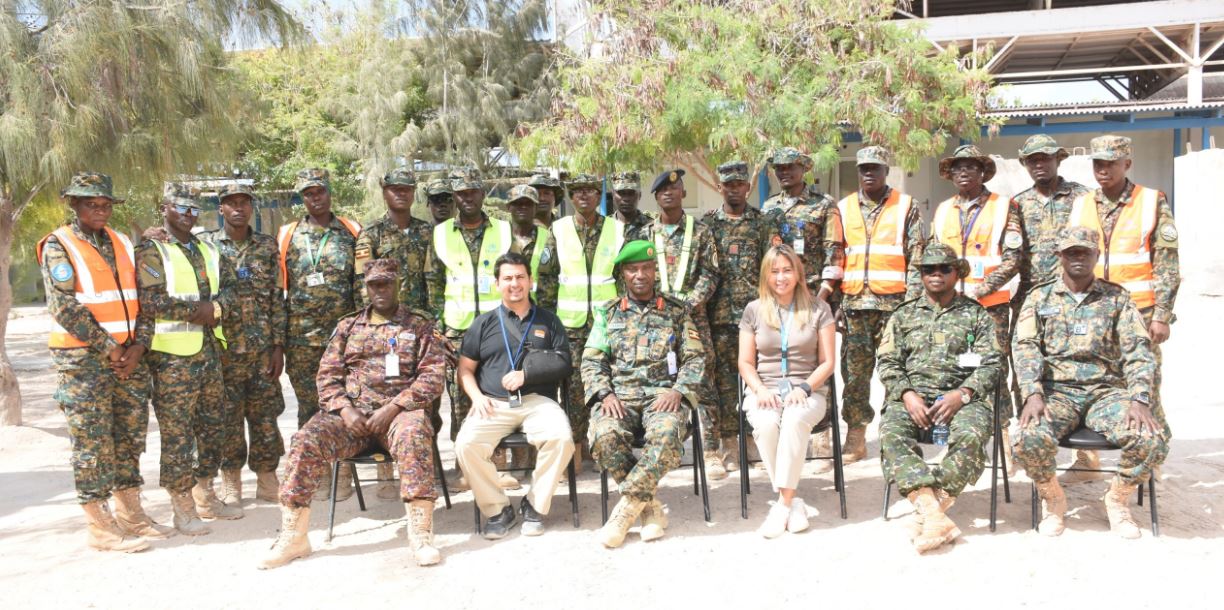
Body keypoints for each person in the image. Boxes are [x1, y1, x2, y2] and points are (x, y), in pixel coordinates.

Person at [260, 259, 448, 568]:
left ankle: (420, 533)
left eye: (387, 283)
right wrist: (344, 410)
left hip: (399, 415)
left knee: (414, 433)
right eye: (374, 284)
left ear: (397, 284)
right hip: (354, 418)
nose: (381, 290)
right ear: (366, 287)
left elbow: (432, 378)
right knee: (306, 438)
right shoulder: (348, 326)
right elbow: (327, 376)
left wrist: (393, 407)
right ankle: (294, 536)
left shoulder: (419, 325)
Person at [36, 172, 165, 552]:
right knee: (92, 442)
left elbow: (145, 298)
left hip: (129, 358)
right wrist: (110, 347)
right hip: (83, 361)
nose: (100, 210)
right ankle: (100, 526)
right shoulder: (59, 245)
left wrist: (138, 347)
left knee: (128, 437)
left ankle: (130, 513)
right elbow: (64, 306)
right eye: (91, 203)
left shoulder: (123, 242)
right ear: (73, 205)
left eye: (105, 204)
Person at [1012, 227, 1168, 539]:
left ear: (1097, 255)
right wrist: (1032, 393)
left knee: (1152, 438)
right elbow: (1025, 347)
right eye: (1071, 252)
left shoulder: (1117, 298)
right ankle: (1053, 498)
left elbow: (1138, 350)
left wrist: (1139, 399)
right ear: (1060, 256)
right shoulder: (1039, 297)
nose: (1078, 257)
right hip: (1057, 392)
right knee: (1027, 437)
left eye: (1085, 252)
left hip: (1106, 393)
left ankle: (1117, 498)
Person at [876, 243, 1001, 553]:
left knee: (971, 434)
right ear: (920, 275)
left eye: (944, 269)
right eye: (928, 269)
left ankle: (929, 509)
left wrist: (963, 394)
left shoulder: (976, 315)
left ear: (956, 273)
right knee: (891, 433)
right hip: (911, 398)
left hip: (960, 398)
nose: (935, 275)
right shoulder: (903, 315)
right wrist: (907, 395)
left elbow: (993, 363)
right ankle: (934, 513)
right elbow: (888, 361)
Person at [1068, 135, 1179, 477]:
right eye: (1097, 163)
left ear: (1126, 164)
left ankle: (1151, 459)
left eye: (1110, 163)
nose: (1102, 170)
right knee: (1090, 381)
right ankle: (1087, 459)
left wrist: (1162, 315)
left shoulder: (1150, 201)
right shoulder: (1082, 203)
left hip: (1139, 313)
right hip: (1093, 308)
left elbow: (1167, 263)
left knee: (1144, 381)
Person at [582, 240, 706, 548]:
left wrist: (679, 391)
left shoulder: (677, 311)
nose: (640, 275)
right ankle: (649, 507)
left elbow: (696, 358)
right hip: (619, 397)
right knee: (603, 434)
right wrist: (604, 394)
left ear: (655, 271)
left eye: (646, 268)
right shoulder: (607, 314)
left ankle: (625, 511)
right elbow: (591, 361)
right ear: (623, 273)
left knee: (666, 432)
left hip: (662, 396)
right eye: (633, 269)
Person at [137, 183, 239, 534]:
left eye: (194, 209)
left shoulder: (206, 248)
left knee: (213, 427)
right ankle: (182, 508)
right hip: (171, 359)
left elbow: (229, 289)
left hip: (209, 351)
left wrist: (219, 307)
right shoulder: (151, 250)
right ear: (164, 209)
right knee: (178, 435)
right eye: (181, 208)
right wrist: (199, 311)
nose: (188, 214)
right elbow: (149, 301)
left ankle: (205, 496)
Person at [454, 252, 575, 539]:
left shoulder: (549, 320)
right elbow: (465, 369)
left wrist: (527, 375)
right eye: (507, 278)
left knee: (561, 439)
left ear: (530, 281)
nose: (514, 283)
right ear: (497, 283)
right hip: (493, 403)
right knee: (466, 445)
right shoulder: (482, 324)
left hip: (538, 402)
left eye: (520, 277)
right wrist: (476, 397)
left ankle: (534, 505)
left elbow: (564, 362)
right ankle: (497, 509)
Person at [929, 144, 1022, 468]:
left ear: (983, 172)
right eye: (957, 167)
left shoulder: (1003, 207)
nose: (963, 172)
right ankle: (960, 440)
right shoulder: (942, 210)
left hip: (990, 307)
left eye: (971, 166)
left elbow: (1013, 258)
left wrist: (982, 289)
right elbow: (932, 258)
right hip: (952, 308)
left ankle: (1004, 442)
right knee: (954, 369)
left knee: (993, 370)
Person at [737, 245, 836, 538]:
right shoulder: (753, 310)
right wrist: (758, 390)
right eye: (774, 271)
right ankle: (792, 502)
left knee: (793, 419)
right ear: (766, 276)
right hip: (763, 390)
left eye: (787, 270)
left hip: (808, 391)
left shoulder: (819, 309)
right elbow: (744, 362)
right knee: (766, 424)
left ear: (798, 273)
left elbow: (828, 362)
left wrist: (805, 387)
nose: (781, 277)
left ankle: (781, 505)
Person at [276, 167, 362, 500]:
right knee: (309, 408)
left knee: (344, 405)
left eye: (320, 191)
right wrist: (279, 343)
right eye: (308, 193)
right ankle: (315, 474)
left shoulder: (350, 230)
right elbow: (277, 290)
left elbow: (361, 285)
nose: (315, 198)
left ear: (329, 192)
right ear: (302, 197)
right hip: (302, 339)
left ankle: (342, 473)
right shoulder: (288, 234)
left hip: (344, 339)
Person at [835, 145, 924, 463]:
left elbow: (917, 259)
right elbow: (836, 259)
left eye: (875, 167)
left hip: (894, 308)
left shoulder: (906, 206)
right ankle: (856, 436)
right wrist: (836, 304)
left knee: (895, 374)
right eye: (863, 168)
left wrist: (912, 307)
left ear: (887, 170)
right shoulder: (843, 208)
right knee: (855, 376)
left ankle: (893, 435)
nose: (868, 173)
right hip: (855, 306)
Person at [201, 183, 287, 509]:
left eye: (244, 203)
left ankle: (267, 480)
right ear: (220, 208)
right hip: (223, 351)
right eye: (231, 203)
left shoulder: (267, 246)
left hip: (262, 350)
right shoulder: (206, 245)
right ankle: (231, 481)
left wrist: (278, 345)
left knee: (265, 418)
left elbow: (276, 299)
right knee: (228, 419)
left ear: (251, 207)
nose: (238, 208)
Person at [428, 167, 515, 490]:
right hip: (457, 328)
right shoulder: (440, 234)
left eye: (473, 192)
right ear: (455, 197)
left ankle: (498, 466)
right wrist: (438, 329)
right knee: (461, 399)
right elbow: (433, 283)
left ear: (482, 194)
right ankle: (466, 468)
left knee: (498, 394)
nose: (467, 198)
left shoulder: (503, 231)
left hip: (498, 326)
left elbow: (513, 276)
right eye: (461, 193)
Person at [1012, 134, 1091, 479]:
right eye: (1032, 160)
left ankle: (1087, 456)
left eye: (1045, 158)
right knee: (1025, 366)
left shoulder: (1082, 197)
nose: (1039, 164)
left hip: (1075, 296)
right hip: (1031, 296)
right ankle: (1028, 439)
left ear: (1058, 160)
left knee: (1081, 368)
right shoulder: (1018, 203)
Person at [538, 173, 625, 472]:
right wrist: (548, 323)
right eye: (578, 192)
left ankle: (602, 448)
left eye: (590, 191)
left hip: (607, 323)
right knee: (574, 389)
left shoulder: (616, 229)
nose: (584, 196)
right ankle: (575, 452)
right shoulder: (558, 230)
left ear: (597, 195)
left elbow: (624, 277)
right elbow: (547, 280)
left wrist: (624, 318)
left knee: (606, 385)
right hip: (570, 324)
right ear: (571, 198)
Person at [641, 169, 724, 478]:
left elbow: (711, 274)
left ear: (683, 194)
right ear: (656, 196)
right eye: (662, 190)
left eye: (674, 189)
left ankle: (712, 451)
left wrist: (688, 303)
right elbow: (638, 275)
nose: (668, 194)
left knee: (703, 380)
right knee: (661, 380)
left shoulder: (700, 231)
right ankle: (667, 446)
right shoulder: (647, 234)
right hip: (658, 321)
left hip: (693, 319)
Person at [704, 161, 773, 473]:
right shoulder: (708, 225)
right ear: (720, 187)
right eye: (728, 184)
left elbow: (770, 269)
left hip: (755, 317)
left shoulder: (762, 224)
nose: (734, 189)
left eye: (739, 184)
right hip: (718, 317)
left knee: (755, 378)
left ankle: (753, 439)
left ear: (747, 187)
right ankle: (729, 442)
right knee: (724, 385)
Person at [505, 185, 557, 302]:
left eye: (528, 204)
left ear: (536, 207)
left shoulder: (550, 237)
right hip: (506, 312)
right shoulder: (499, 236)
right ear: (509, 207)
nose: (523, 207)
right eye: (517, 203)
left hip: (541, 312)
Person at [610, 171, 655, 241]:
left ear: (639, 195)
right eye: (621, 193)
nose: (626, 198)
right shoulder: (604, 226)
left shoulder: (652, 227)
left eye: (631, 193)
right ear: (613, 195)